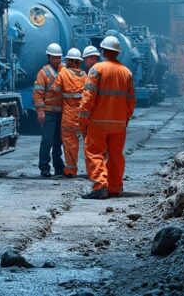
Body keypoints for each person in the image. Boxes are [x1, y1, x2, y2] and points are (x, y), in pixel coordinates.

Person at [78, 35, 136, 199]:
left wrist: (82, 120)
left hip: (98, 123)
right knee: (116, 155)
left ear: (103, 51)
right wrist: (125, 119)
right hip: (119, 124)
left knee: (94, 153)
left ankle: (100, 186)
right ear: (118, 53)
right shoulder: (127, 73)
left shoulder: (97, 70)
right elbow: (131, 101)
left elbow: (88, 97)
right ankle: (115, 188)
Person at [54, 48, 87, 178]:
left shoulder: (63, 74)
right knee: (89, 144)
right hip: (83, 115)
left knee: (70, 144)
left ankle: (71, 170)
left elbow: (55, 89)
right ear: (79, 62)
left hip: (68, 115)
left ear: (67, 61)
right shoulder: (85, 76)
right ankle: (93, 170)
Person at [33, 43, 65, 177]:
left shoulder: (64, 69)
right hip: (49, 112)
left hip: (62, 112)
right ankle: (44, 167)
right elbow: (38, 93)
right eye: (54, 58)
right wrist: (40, 111)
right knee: (47, 141)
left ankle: (59, 167)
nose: (57, 60)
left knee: (59, 141)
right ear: (49, 57)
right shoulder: (44, 72)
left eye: (58, 57)